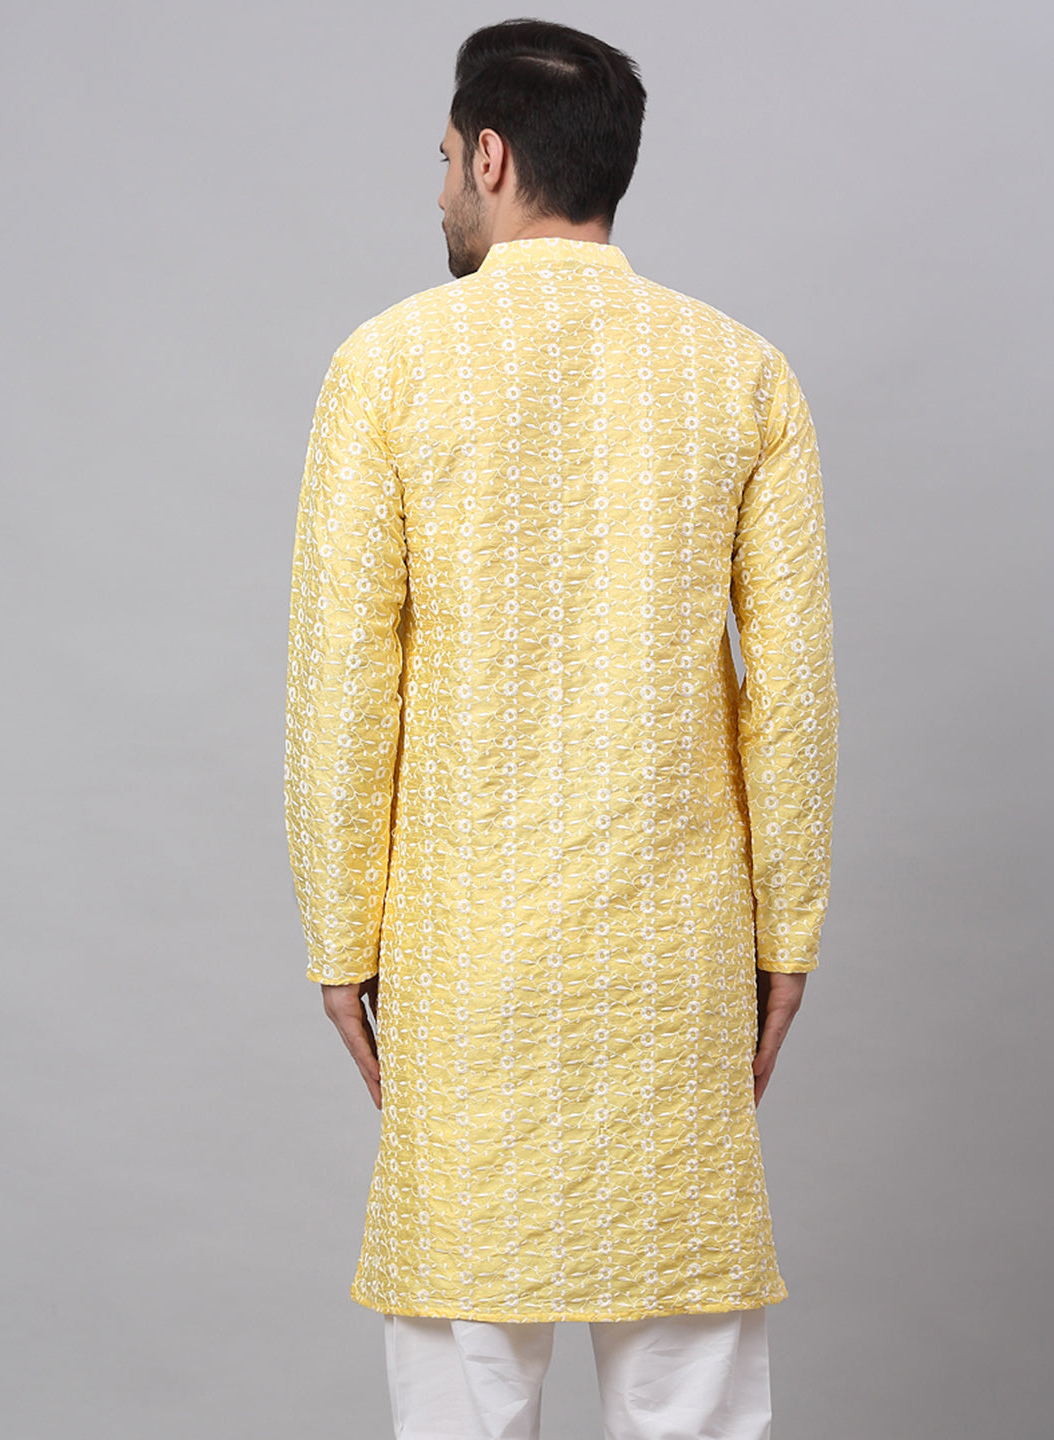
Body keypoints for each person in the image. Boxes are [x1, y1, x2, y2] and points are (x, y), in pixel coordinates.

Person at [284, 18, 838, 1440]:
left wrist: (339, 936)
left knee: (463, 1392)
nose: (440, 195)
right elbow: (790, 693)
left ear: (490, 156)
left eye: (444, 164)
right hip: (674, 964)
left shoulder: (387, 366)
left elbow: (345, 683)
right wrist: (788, 934)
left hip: (462, 959)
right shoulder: (741, 374)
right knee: (690, 1391)